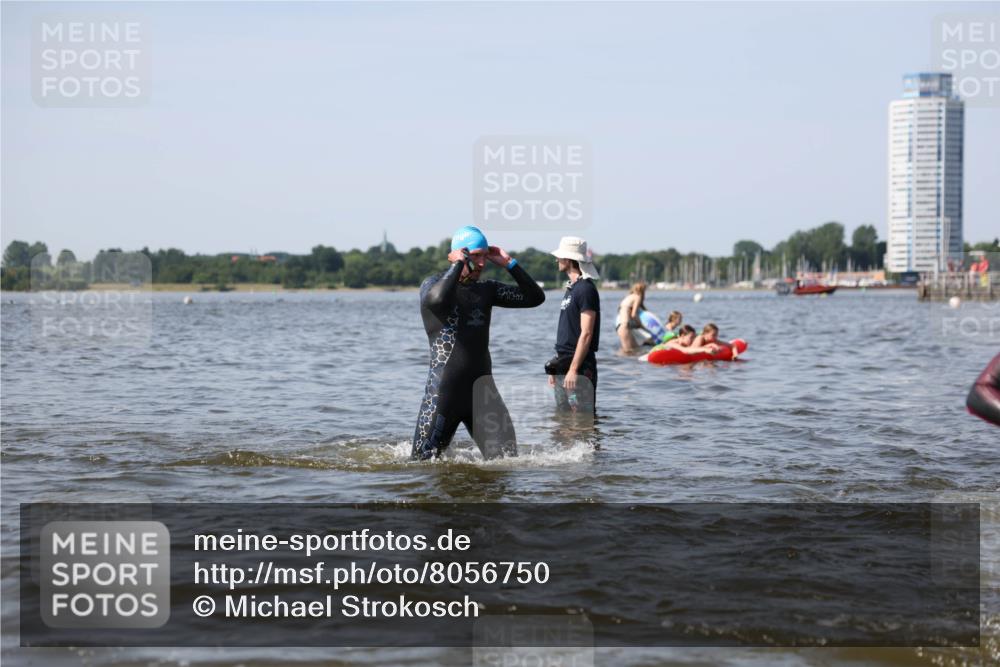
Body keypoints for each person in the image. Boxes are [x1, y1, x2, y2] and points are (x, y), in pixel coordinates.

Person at [412, 226, 545, 460]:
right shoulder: (432, 285)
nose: (482, 263)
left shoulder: (487, 290)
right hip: (443, 394)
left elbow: (535, 298)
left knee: (508, 462)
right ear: (458, 254)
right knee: (420, 466)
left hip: (483, 393)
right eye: (476, 256)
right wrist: (457, 266)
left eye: (485, 255)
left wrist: (509, 263)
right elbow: (437, 300)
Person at [547, 236, 601, 414]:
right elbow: (567, 332)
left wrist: (573, 369)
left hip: (579, 368)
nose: (556, 260)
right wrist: (556, 367)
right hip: (564, 365)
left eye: (560, 256)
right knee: (563, 421)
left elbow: (586, 333)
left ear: (569, 260)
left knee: (582, 421)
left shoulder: (586, 289)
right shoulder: (572, 289)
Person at [615, 282, 646, 354]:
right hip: (625, 327)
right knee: (629, 352)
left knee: (633, 351)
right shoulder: (637, 297)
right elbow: (634, 315)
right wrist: (641, 326)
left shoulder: (628, 297)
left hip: (620, 328)